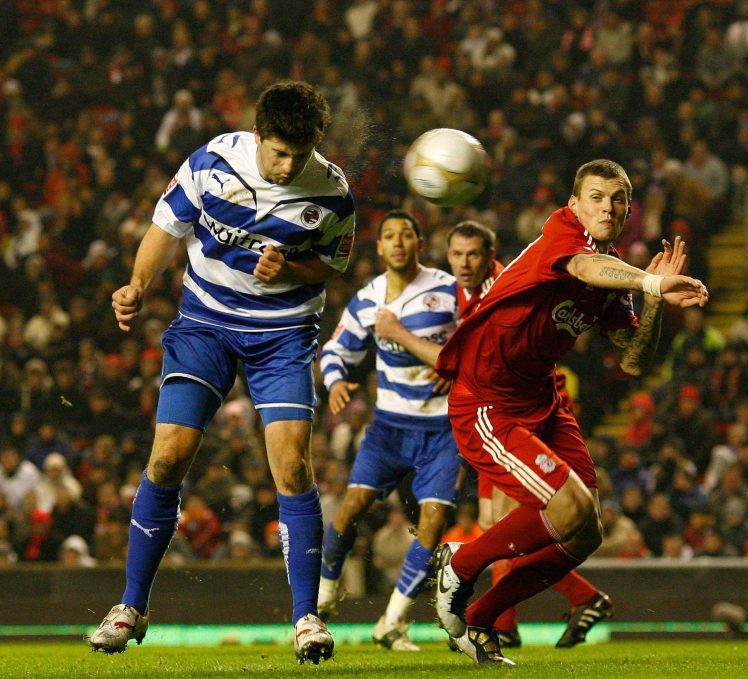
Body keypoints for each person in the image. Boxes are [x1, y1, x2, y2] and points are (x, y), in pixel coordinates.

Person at [89, 80, 355, 665]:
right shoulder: (211, 163)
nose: (288, 166)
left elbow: (332, 264)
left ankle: (307, 618)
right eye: (279, 152)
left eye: (300, 154)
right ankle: (131, 607)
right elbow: (166, 230)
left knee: (291, 466)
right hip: (203, 325)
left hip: (282, 335)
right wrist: (137, 285)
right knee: (167, 457)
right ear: (258, 135)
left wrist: (291, 263)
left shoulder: (333, 192)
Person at [431, 159, 708, 665]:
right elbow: (583, 267)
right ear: (574, 204)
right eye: (597, 197)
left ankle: (480, 618)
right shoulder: (560, 237)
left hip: (541, 398)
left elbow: (631, 358)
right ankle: (461, 563)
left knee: (586, 533)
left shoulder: (615, 268)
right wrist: (649, 282)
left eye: (618, 198)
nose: (608, 206)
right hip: (487, 401)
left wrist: (651, 303)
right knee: (567, 510)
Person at [448, 220, 615, 650]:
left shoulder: (510, 280)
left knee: (523, 520)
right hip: (500, 401)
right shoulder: (457, 293)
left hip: (520, 408)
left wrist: (400, 337)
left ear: (491, 255)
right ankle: (506, 615)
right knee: (500, 522)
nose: (464, 263)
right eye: (456, 254)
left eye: (473, 254)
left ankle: (495, 614)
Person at [316, 210, 461, 651]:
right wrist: (336, 381)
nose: (398, 243)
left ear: (420, 241)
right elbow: (334, 350)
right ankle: (323, 597)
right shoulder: (367, 300)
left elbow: (479, 337)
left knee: (434, 521)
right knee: (352, 506)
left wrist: (457, 366)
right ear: (379, 248)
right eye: (390, 237)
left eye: (406, 235)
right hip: (390, 427)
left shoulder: (449, 289)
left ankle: (393, 620)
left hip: (443, 427)